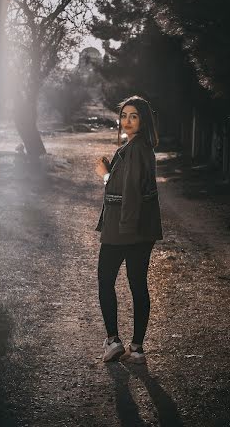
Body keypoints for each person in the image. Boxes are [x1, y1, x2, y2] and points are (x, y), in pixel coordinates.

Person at [94, 95, 163, 364]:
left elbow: (130, 193)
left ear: (143, 120)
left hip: (125, 228)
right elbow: (129, 185)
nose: (127, 121)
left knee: (105, 281)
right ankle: (136, 349)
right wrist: (111, 174)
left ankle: (113, 342)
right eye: (124, 115)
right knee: (137, 285)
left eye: (134, 116)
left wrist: (105, 175)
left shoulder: (135, 149)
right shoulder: (141, 147)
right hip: (140, 229)